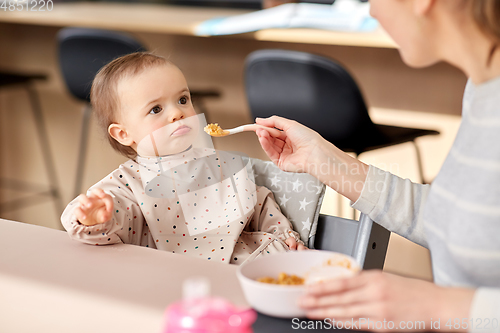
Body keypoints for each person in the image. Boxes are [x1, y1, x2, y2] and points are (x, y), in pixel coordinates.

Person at [254, 0, 500, 331]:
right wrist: (322, 159)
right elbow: (464, 223)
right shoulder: (482, 89)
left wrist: (438, 306)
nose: (371, 11)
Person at [61, 52, 306, 265]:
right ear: (123, 134)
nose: (178, 113)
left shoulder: (218, 163)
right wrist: (93, 219)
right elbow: (106, 221)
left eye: (183, 100)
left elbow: (261, 205)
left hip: (249, 264)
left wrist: (285, 237)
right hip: (174, 280)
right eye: (156, 109)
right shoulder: (127, 185)